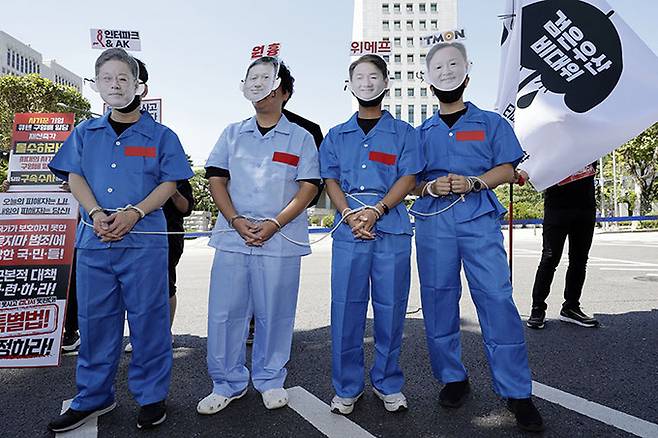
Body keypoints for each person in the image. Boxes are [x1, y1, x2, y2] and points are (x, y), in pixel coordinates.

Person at [46, 48, 194, 432]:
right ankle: (93, 397)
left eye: (123, 78)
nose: (115, 85)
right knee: (96, 323)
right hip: (95, 240)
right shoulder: (83, 133)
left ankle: (151, 396)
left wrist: (134, 213)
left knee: (149, 321)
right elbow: (74, 176)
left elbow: (170, 182)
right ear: (98, 86)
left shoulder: (161, 135)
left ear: (137, 85)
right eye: (107, 79)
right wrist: (95, 213)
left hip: (144, 241)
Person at [410, 42, 544, 432]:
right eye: (438, 66)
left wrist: (474, 181)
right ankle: (453, 377)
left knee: (497, 300)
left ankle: (517, 391)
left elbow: (507, 169)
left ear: (467, 73)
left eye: (454, 65)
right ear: (428, 80)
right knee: (437, 300)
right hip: (434, 224)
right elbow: (411, 182)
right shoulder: (420, 133)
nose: (447, 71)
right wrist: (429, 188)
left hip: (479, 219)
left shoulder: (491, 123)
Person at [198, 56, 319, 414]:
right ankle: (227, 382)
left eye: (266, 81)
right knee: (225, 313)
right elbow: (216, 178)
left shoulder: (300, 137)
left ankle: (269, 379)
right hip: (234, 237)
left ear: (282, 91)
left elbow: (309, 187)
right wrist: (234, 220)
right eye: (252, 79)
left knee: (276, 313)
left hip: (280, 239)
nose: (257, 87)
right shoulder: (232, 133)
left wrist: (275, 224)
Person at [319, 54, 423, 415]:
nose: (366, 82)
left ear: (386, 84)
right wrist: (348, 213)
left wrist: (378, 210)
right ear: (349, 85)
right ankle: (347, 386)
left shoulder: (405, 133)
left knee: (391, 310)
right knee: (346, 310)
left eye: (373, 76)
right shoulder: (335, 135)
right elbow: (329, 178)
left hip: (390, 228)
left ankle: (388, 382)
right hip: (348, 230)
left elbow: (408, 177)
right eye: (359, 77)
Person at [124, 61, 196, 353]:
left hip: (165, 233)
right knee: (131, 290)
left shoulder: (167, 146)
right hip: (125, 232)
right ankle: (138, 337)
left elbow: (186, 206)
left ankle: (163, 333)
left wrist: (169, 192)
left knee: (165, 285)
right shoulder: (92, 135)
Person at [1, 180, 80, 352]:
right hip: (31, 233)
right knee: (30, 280)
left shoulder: (77, 167)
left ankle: (70, 330)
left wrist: (76, 192)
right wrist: (11, 190)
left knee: (65, 280)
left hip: (64, 230)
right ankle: (30, 331)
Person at [523, 163, 599, 329]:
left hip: (586, 205)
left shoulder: (593, 138)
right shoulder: (554, 138)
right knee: (550, 257)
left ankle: (571, 307)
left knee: (579, 259)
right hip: (557, 206)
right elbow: (537, 159)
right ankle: (537, 308)